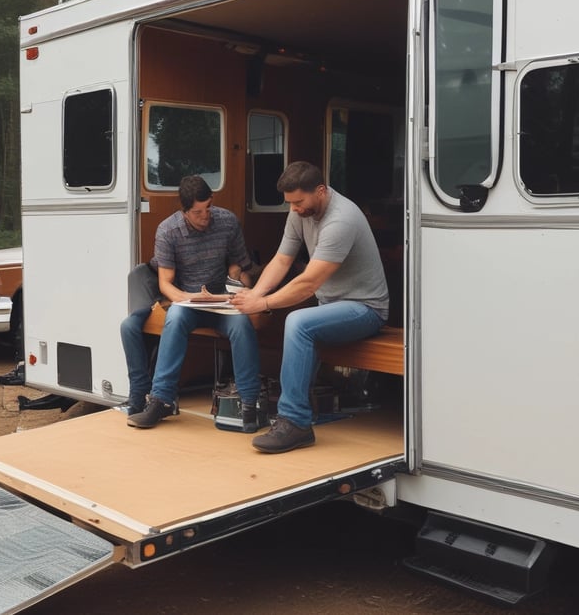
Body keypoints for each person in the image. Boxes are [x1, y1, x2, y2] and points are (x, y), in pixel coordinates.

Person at [230, 161, 389, 453]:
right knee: (300, 322)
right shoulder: (299, 212)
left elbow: (309, 283)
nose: (294, 209)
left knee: (299, 322)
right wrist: (254, 294)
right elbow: (282, 260)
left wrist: (262, 302)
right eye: (290, 203)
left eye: (299, 202)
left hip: (365, 309)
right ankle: (294, 411)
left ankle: (295, 422)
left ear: (320, 191)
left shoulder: (341, 219)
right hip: (330, 305)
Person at [126, 175, 262, 432]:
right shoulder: (168, 230)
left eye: (208, 207)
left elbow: (239, 265)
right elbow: (165, 283)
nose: (205, 216)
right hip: (188, 302)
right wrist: (190, 298)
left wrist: (236, 280)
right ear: (184, 210)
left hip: (221, 301)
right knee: (175, 318)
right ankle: (160, 401)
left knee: (242, 324)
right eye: (198, 212)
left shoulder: (227, 221)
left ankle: (249, 403)